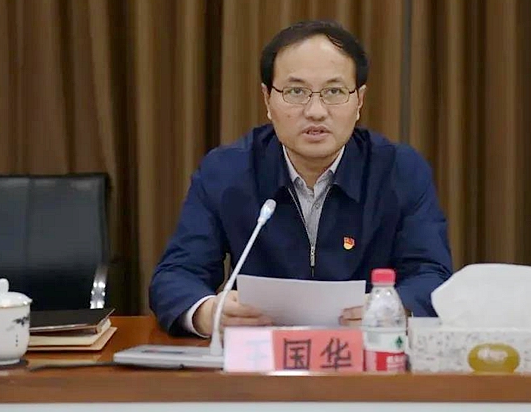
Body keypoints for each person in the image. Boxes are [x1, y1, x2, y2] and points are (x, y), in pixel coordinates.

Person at [150, 20, 453, 336]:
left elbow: (432, 275)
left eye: (334, 92)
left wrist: (393, 310)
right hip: (259, 358)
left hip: (366, 355)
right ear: (267, 99)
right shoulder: (227, 170)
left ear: (359, 101)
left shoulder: (399, 170)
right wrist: (208, 313)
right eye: (296, 92)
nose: (316, 111)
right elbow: (176, 275)